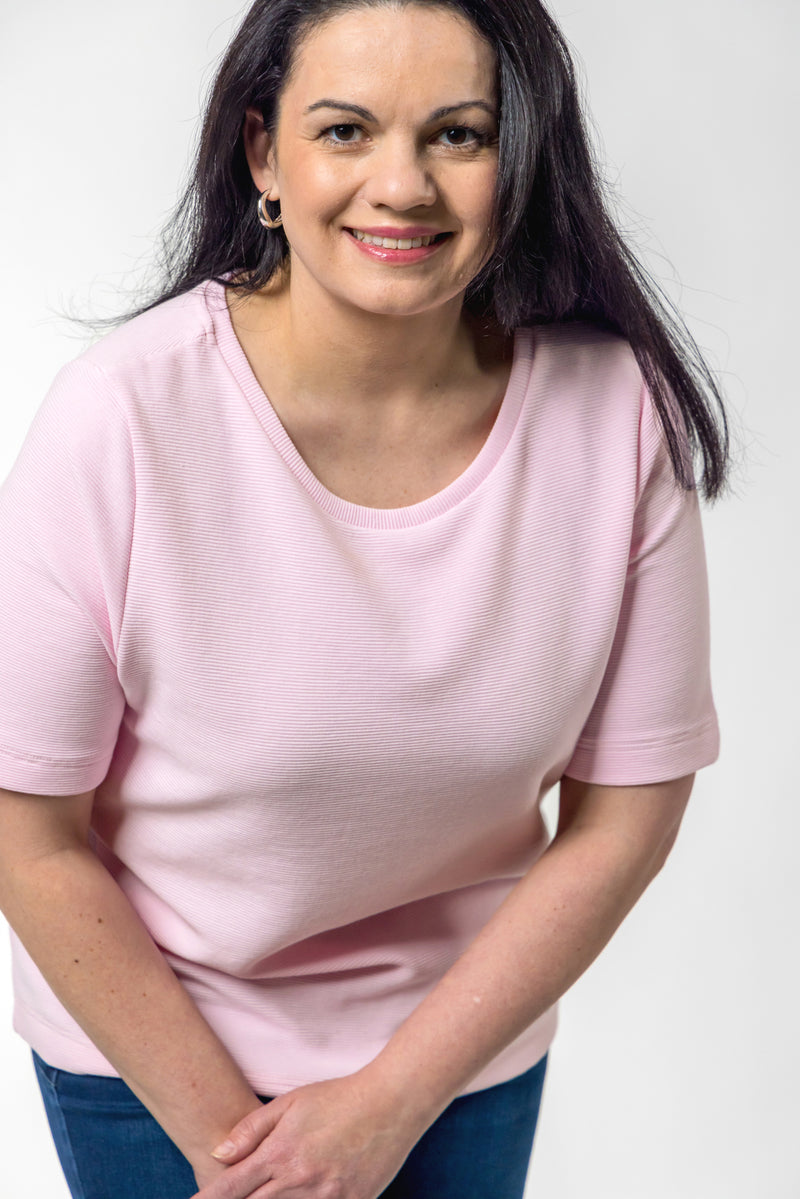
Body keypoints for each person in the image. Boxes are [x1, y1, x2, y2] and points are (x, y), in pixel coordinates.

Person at [0, 1, 728, 1196]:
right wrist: (247, 1152)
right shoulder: (119, 421)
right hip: (154, 1056)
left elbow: (625, 816)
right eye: (344, 129)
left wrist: (391, 1101)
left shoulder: (615, 415)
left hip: (458, 1057)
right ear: (262, 154)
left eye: (458, 134)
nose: (402, 185)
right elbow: (28, 835)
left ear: (519, 157)